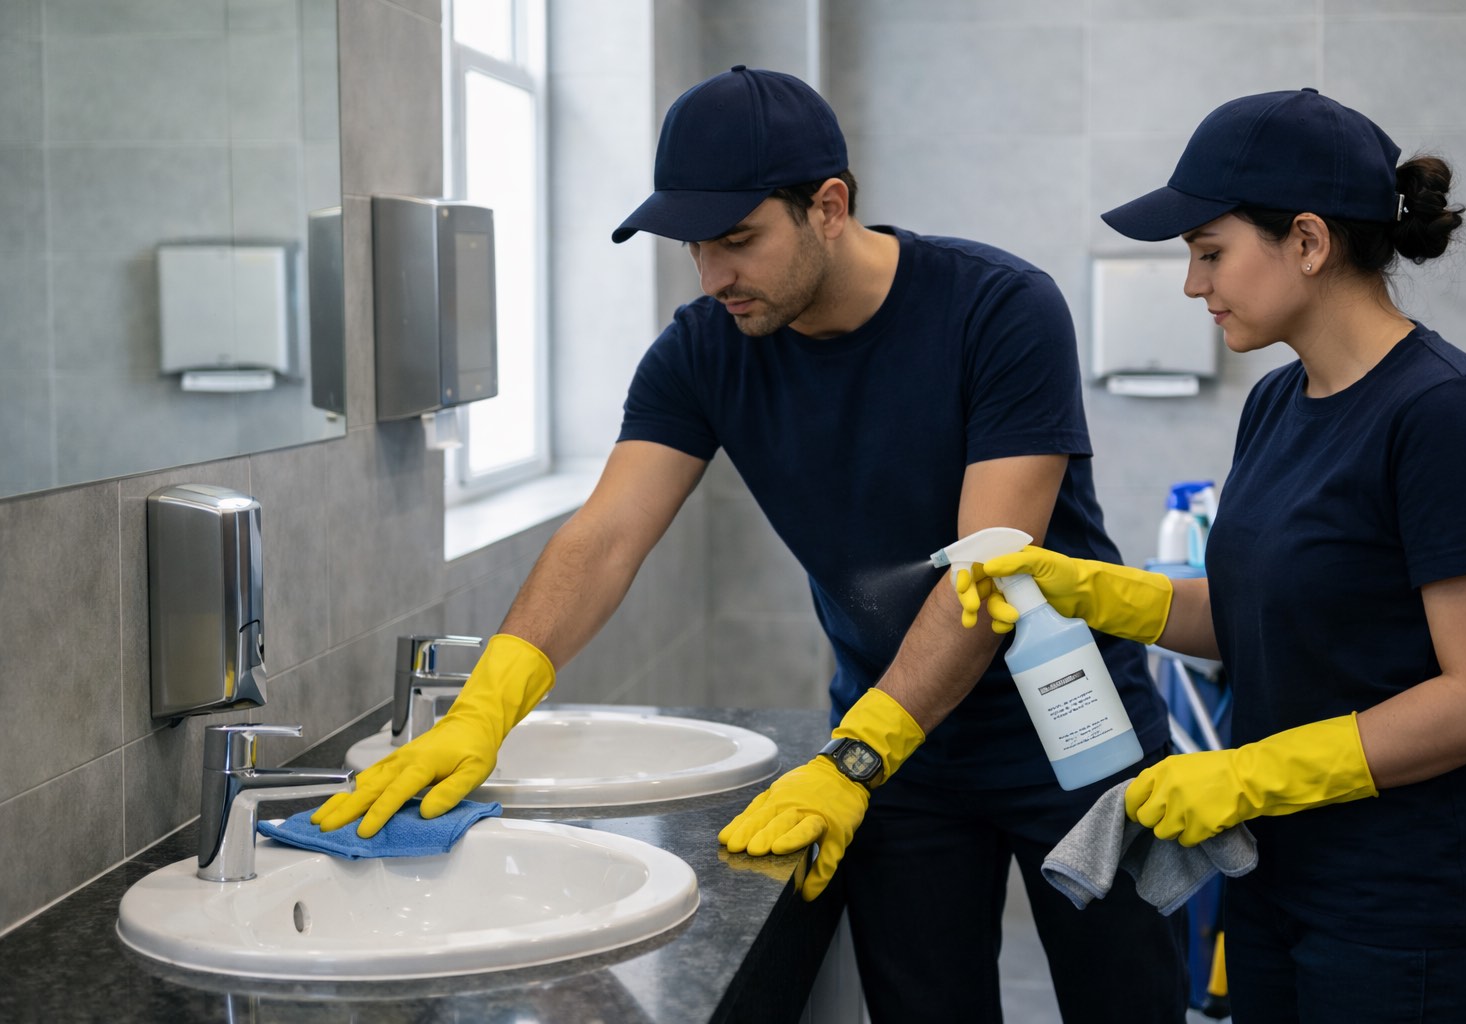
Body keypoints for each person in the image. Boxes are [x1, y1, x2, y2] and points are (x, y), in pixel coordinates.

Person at [311, 66, 1187, 1023]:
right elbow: (606, 536)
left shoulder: (999, 310)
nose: (713, 275)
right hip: (897, 758)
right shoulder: (704, 349)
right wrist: (487, 705)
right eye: (695, 247)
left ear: (829, 206)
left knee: (1127, 1004)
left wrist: (855, 757)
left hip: (1070, 733)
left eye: (738, 241)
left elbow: (991, 567)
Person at [964, 88, 1466, 1023]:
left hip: (1413, 916)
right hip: (1276, 884)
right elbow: (1261, 615)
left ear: (1308, 242)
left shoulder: (1444, 416)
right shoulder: (1277, 404)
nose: (1194, 285)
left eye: (1209, 252)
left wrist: (1248, 774)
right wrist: (1092, 593)